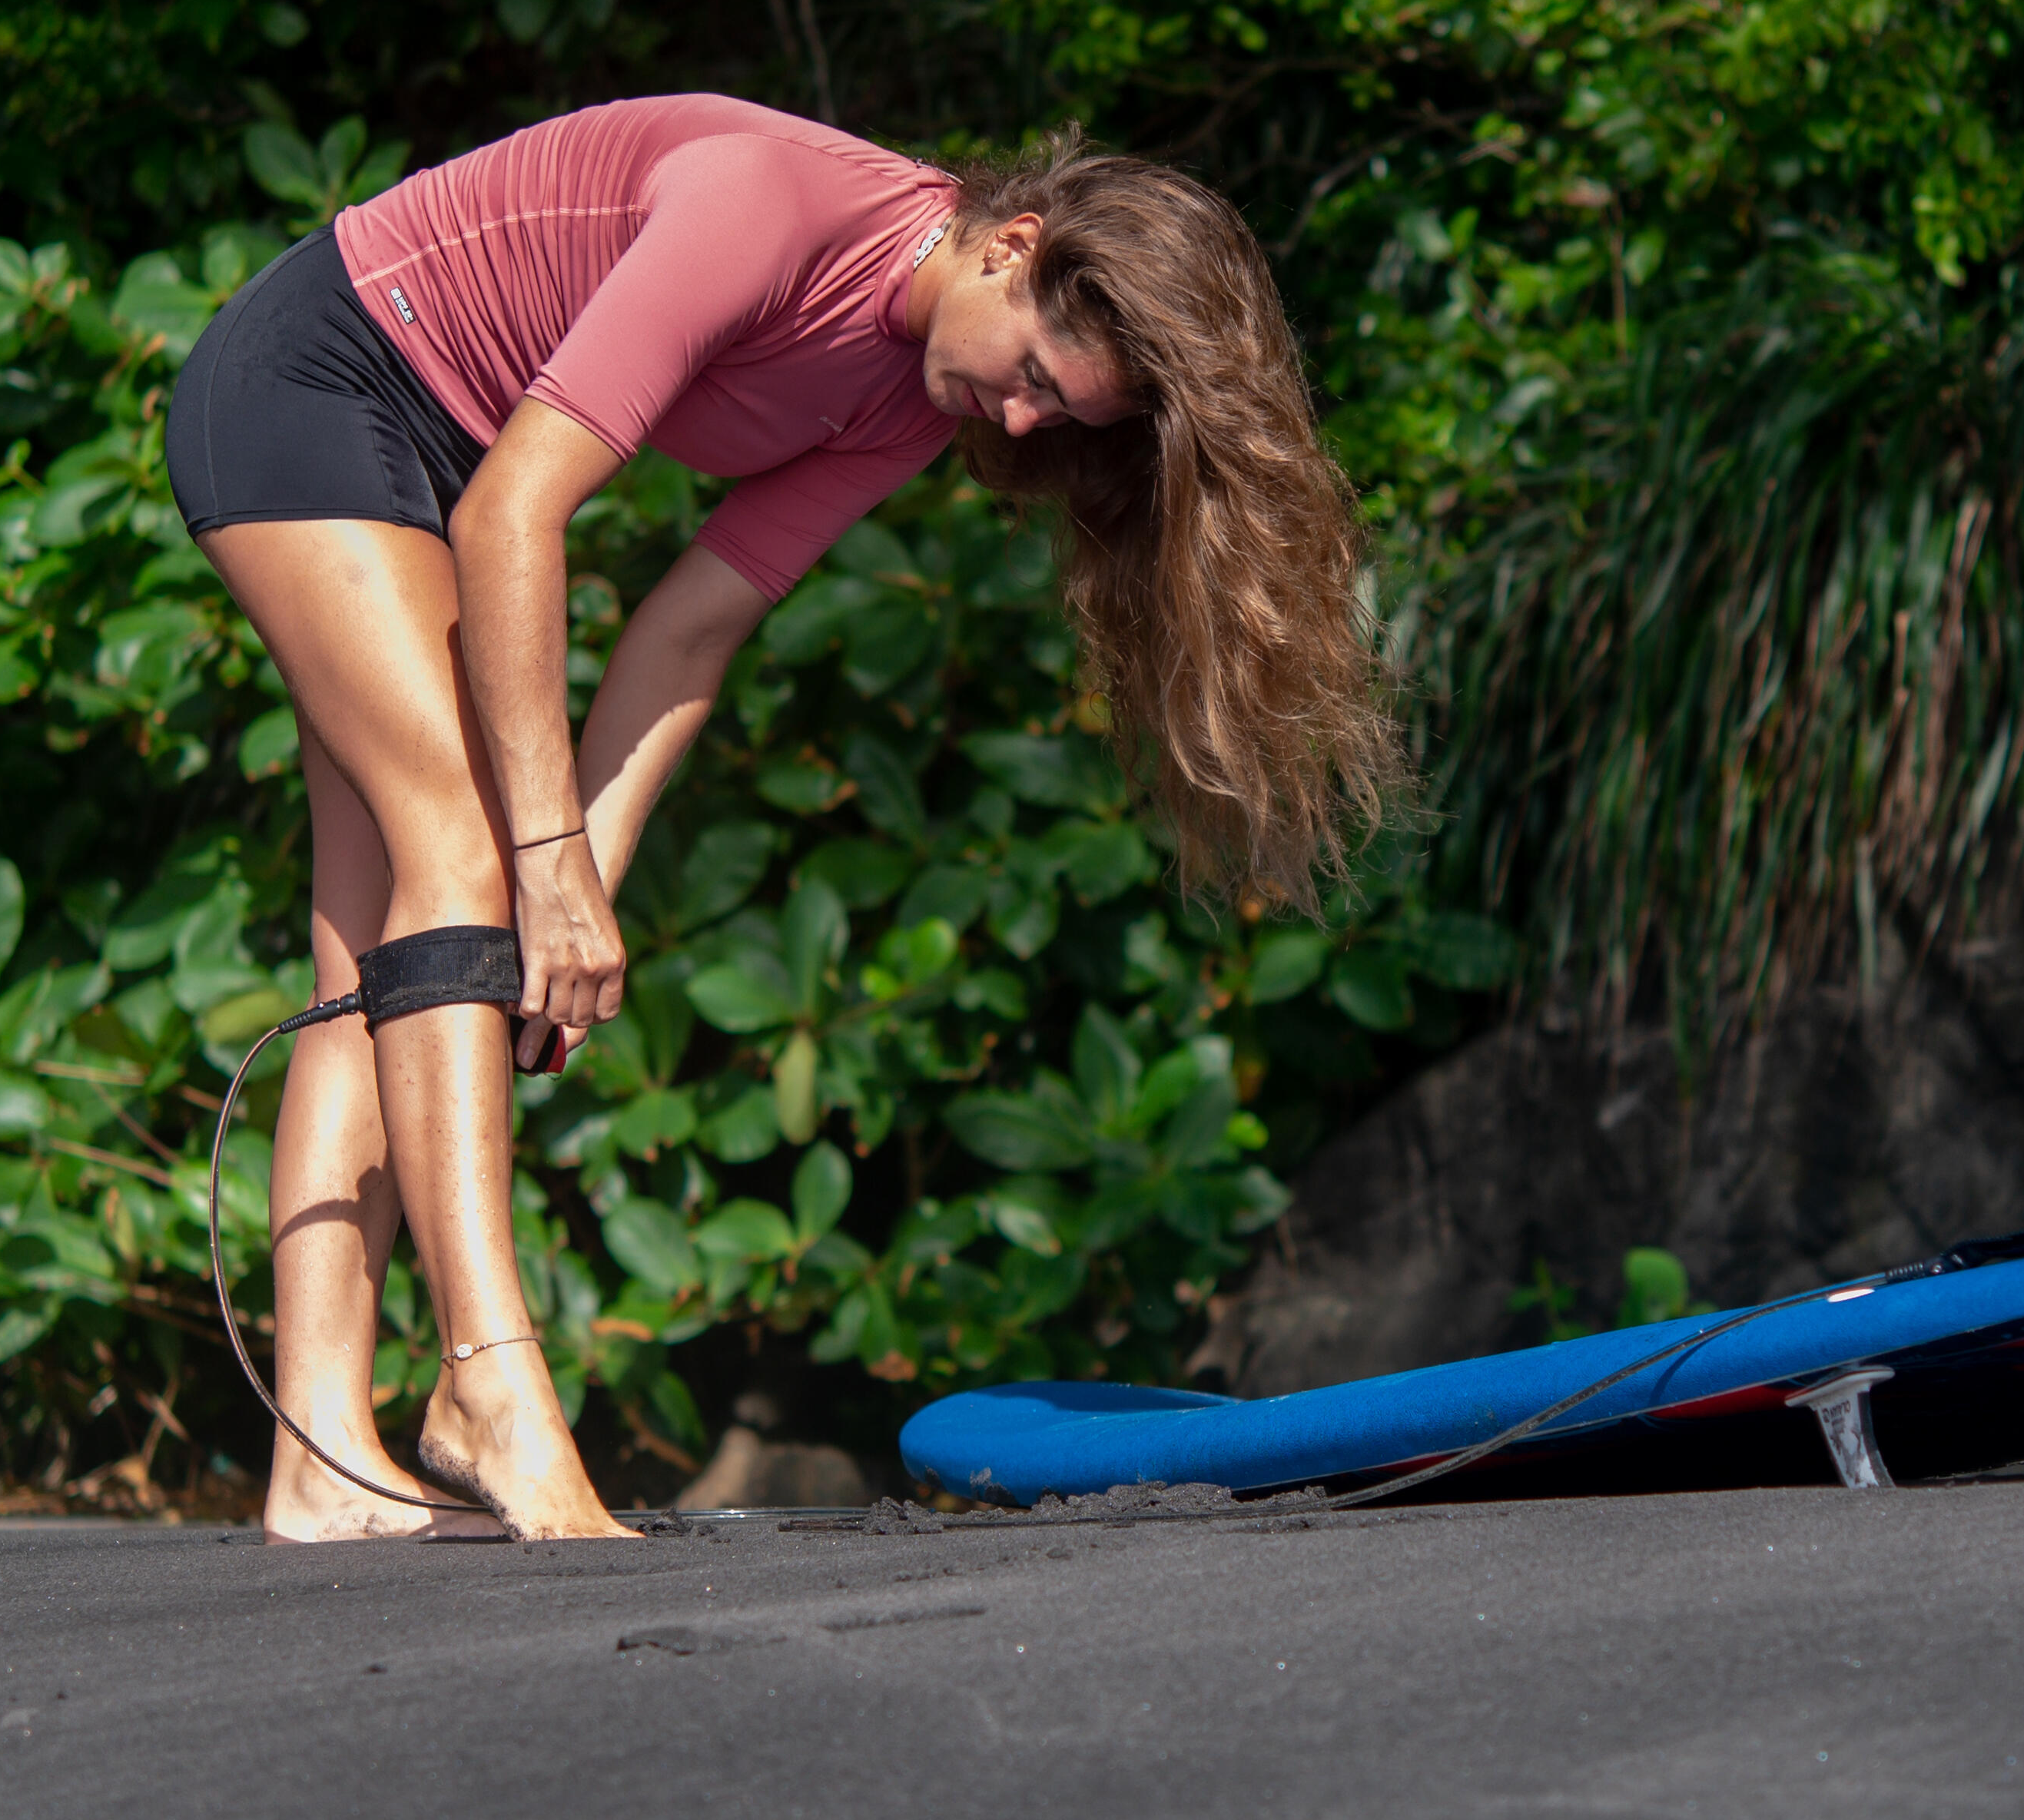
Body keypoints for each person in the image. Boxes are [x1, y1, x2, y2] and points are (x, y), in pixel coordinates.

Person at [164, 95, 1403, 1541]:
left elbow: (691, 629)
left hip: (429, 447)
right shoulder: (771, 207)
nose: (1016, 421)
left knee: (392, 943)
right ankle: (488, 1385)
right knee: (461, 854)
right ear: (1017, 245)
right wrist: (542, 882)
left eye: (1060, 420)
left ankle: (320, 1456)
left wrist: (580, 901)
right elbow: (520, 516)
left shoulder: (908, 396)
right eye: (1034, 378)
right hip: (315, 380)